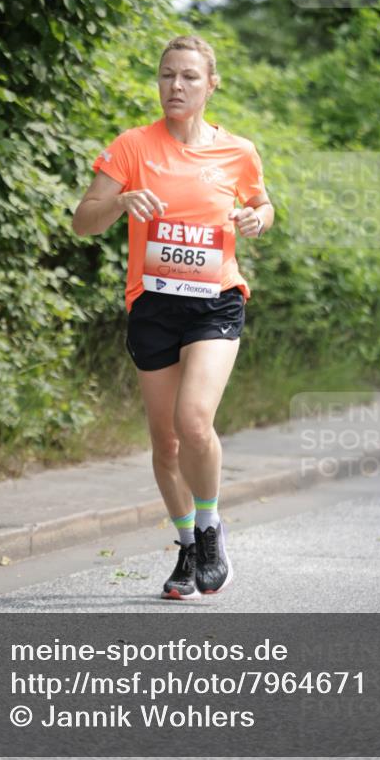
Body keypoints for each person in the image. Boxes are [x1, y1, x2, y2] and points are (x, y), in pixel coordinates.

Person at [72, 34, 274, 600]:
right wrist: (119, 203)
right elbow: (82, 221)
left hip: (215, 302)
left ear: (211, 84)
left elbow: (262, 202)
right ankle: (187, 546)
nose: (175, 86)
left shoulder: (238, 151)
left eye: (188, 76)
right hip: (154, 306)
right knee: (165, 444)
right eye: (166, 75)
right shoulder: (133, 147)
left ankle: (210, 529)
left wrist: (259, 218)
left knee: (193, 422)